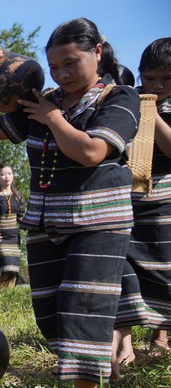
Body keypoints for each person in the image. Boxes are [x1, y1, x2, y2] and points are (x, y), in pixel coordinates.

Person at [0, 17, 140, 388]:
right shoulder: (45, 99)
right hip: (46, 222)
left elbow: (91, 152)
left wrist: (52, 117)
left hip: (99, 221)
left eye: (71, 63)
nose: (62, 74)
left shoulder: (119, 98)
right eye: (55, 67)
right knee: (50, 311)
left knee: (85, 304)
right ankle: (99, 357)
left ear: (97, 51)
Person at [113, 37, 171, 362]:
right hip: (130, 197)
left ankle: (160, 334)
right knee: (127, 267)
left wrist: (151, 113)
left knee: (162, 267)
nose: (157, 84)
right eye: (149, 77)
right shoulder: (129, 101)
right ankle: (125, 340)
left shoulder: (161, 108)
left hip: (165, 202)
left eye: (166, 78)